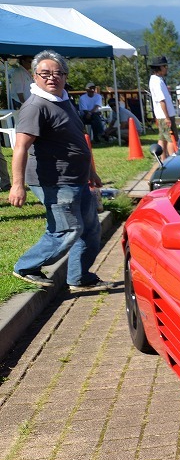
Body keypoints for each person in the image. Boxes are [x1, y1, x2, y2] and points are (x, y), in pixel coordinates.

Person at [9, 50, 107, 292]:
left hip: (78, 179)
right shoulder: (35, 106)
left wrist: (92, 172)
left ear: (65, 76)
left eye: (57, 73)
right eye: (45, 74)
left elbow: (80, 140)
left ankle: (79, 277)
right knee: (67, 229)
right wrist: (17, 184)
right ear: (34, 76)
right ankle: (26, 266)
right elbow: (20, 146)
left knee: (90, 231)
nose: (51, 78)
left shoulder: (63, 99)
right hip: (54, 181)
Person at [148, 56, 177, 159]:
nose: (166, 68)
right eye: (165, 66)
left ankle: (163, 159)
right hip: (165, 114)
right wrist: (167, 117)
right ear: (159, 67)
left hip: (161, 115)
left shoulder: (156, 80)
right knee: (171, 139)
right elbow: (161, 100)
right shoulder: (157, 81)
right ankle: (172, 159)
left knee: (162, 138)